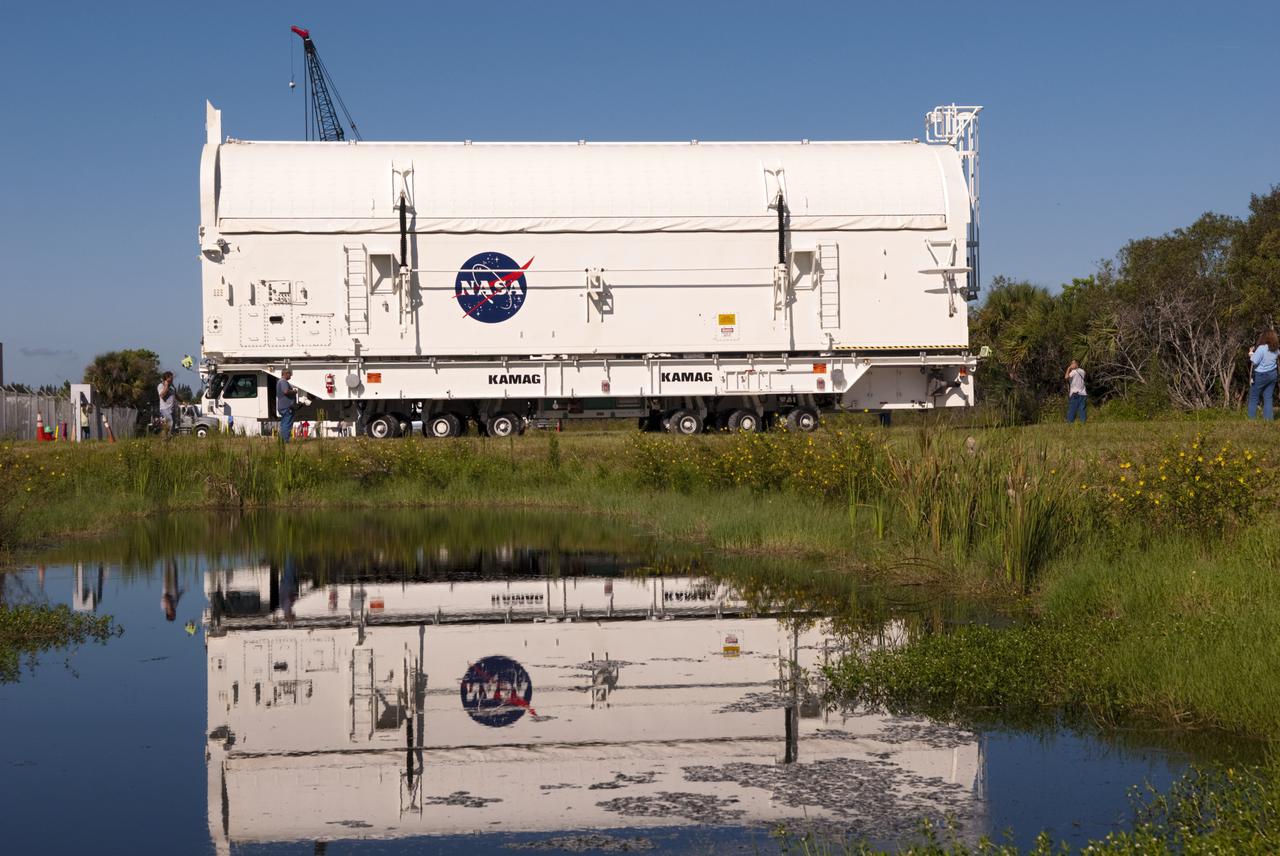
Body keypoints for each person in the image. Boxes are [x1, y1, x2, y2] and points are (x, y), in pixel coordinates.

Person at [1247, 330, 1279, 421]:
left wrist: (1251, 353)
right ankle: (1268, 420)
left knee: (1253, 397)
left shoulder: (1261, 348)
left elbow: (1254, 361)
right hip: (1272, 374)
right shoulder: (1276, 349)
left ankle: (1251, 420)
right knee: (1268, 397)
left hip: (1260, 375)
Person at [277, 369, 298, 442]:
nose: (291, 375)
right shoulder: (283, 381)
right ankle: (285, 440)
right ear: (285, 374)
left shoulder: (280, 381)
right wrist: (294, 392)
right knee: (287, 424)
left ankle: (282, 439)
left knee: (284, 423)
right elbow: (286, 391)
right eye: (290, 374)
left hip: (282, 406)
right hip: (286, 407)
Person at [157, 371, 178, 436]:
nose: (171, 381)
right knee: (169, 423)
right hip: (165, 409)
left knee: (173, 425)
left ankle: (169, 440)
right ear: (165, 379)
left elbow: (176, 395)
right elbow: (162, 396)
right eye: (170, 380)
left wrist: (182, 401)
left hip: (172, 409)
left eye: (172, 379)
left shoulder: (172, 387)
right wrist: (166, 386)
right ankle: (165, 439)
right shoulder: (161, 386)